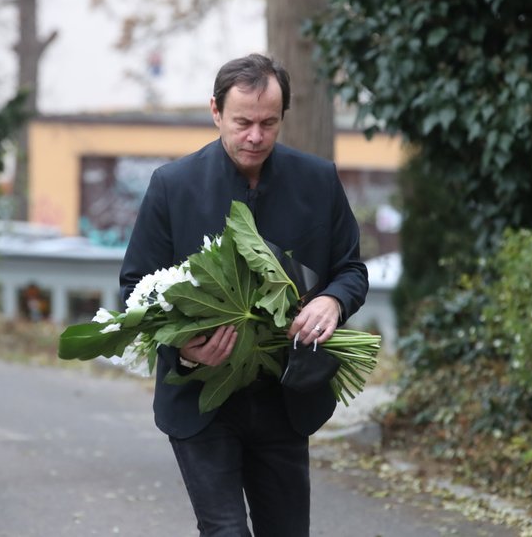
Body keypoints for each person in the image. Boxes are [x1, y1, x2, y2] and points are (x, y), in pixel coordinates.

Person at [119, 53, 369, 536]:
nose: (255, 136)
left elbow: (351, 269)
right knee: (225, 532)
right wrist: (183, 346)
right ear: (215, 111)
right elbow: (135, 288)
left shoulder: (318, 180)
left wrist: (333, 300)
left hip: (286, 395)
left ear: (282, 118)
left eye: (268, 123)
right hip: (199, 397)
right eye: (242, 122)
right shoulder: (171, 186)